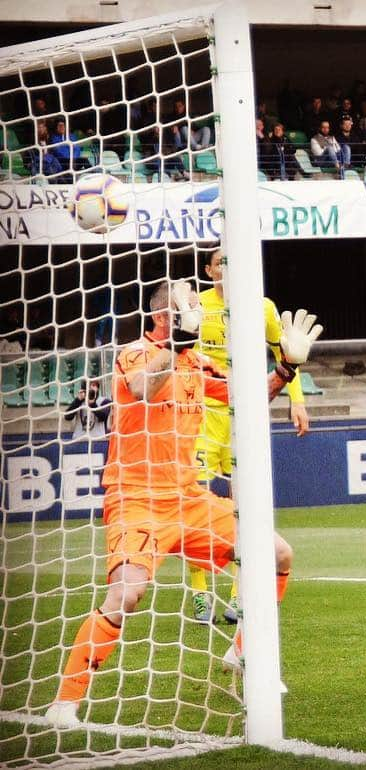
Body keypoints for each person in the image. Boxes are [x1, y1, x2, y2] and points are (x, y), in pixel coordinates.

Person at [44, 281, 322, 728]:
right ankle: (63, 704)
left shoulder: (198, 361)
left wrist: (286, 369)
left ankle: (244, 652)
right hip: (137, 497)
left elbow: (244, 398)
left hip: (188, 498)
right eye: (188, 302)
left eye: (196, 301)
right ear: (162, 315)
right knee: (127, 594)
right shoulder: (135, 352)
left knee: (278, 554)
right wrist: (176, 345)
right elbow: (142, 388)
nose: (198, 307)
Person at [185, 245, 312, 625]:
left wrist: (298, 401)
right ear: (209, 271)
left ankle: (240, 594)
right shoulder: (197, 308)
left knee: (244, 506)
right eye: (220, 262)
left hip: (247, 416)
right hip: (204, 415)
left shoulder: (264, 308)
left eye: (233, 259)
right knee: (198, 502)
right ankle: (200, 592)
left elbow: (286, 355)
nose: (228, 267)